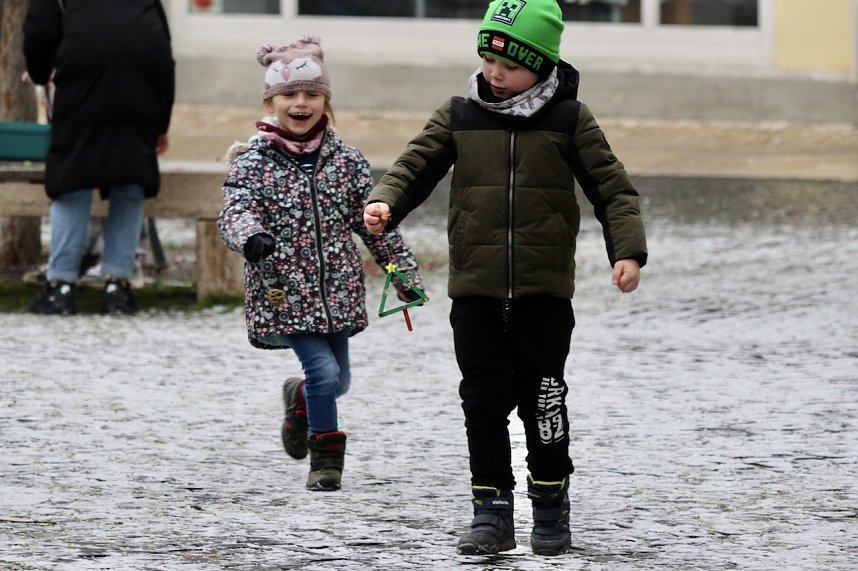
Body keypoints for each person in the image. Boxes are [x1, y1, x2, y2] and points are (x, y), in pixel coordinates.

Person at [364, 0, 648, 556]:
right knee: (483, 401)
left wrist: (628, 252)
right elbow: (413, 165)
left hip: (543, 293)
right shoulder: (460, 114)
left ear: (542, 65)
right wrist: (384, 201)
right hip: (476, 290)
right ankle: (490, 509)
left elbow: (612, 189)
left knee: (543, 398)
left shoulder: (569, 119)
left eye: (510, 65)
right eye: (488, 58)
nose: (495, 73)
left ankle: (550, 502)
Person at [217, 35, 424, 492]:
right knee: (325, 374)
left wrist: (400, 272)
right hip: (285, 291)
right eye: (289, 94)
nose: (301, 102)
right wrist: (250, 236)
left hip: (338, 290)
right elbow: (236, 208)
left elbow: (373, 223)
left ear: (325, 101)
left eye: (312, 93)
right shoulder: (254, 163)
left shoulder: (346, 162)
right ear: (271, 101)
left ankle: (301, 399)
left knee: (339, 380)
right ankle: (325, 460)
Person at [23, 0, 175, 315]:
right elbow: (163, 51)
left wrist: (40, 73)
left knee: (72, 178)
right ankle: (117, 285)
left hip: (83, 73)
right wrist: (160, 124)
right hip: (143, 75)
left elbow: (38, 31)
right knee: (130, 178)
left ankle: (59, 286)